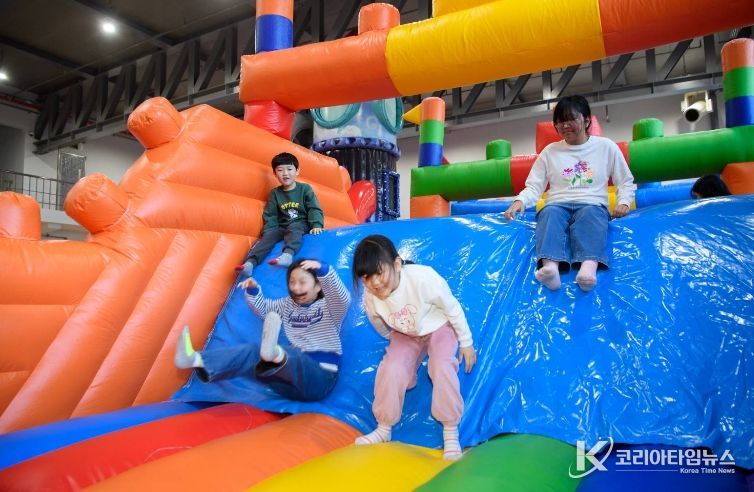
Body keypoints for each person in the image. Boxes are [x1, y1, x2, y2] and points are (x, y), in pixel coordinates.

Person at [351, 234, 477, 461]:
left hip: (438, 326)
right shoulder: (372, 297)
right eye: (366, 278)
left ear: (397, 264)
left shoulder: (423, 278)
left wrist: (466, 342)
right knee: (392, 369)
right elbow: (378, 323)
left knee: (442, 367)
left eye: (379, 273)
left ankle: (450, 430)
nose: (375, 283)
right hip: (406, 333)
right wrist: (396, 340)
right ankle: (384, 428)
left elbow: (452, 308)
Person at [503, 95, 636, 292]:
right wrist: (519, 201)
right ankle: (550, 268)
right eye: (559, 121)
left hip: (592, 203)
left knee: (591, 215)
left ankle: (588, 268)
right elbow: (534, 185)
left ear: (587, 120)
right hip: (558, 203)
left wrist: (624, 202)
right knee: (549, 213)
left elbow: (624, 181)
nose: (565, 125)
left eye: (571, 119)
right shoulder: (550, 151)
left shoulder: (605, 147)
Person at [175, 259, 351, 401]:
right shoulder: (287, 305)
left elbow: (342, 297)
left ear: (318, 286)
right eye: (292, 282)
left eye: (302, 282)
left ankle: (276, 355)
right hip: (289, 386)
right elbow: (264, 310)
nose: (296, 288)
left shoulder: (330, 307)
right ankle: (195, 359)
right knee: (253, 352)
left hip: (320, 378)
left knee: (295, 357)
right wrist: (253, 291)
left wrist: (324, 270)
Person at [236, 152, 325, 276]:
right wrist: (269, 232)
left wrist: (316, 224)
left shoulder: (305, 189)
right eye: (280, 170)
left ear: (297, 171)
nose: (285, 173)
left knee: (295, 227)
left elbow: (313, 208)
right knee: (268, 237)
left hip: (302, 224)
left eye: (289, 169)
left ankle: (287, 255)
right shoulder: (275, 193)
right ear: (275, 174)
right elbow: (270, 214)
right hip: (283, 227)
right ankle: (250, 263)